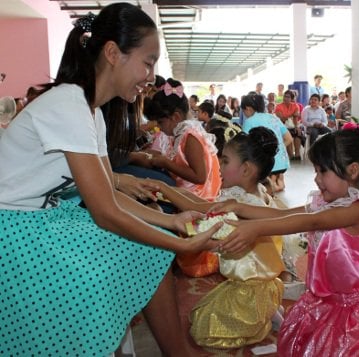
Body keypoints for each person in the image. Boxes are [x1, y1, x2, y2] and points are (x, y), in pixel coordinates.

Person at [0, 4, 222, 356]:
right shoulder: (69, 104)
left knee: (146, 247)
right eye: (147, 62)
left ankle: (173, 349)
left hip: (37, 219)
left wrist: (171, 221)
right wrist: (179, 244)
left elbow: (110, 196)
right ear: (112, 53)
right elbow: (105, 210)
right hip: (12, 230)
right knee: (127, 258)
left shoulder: (90, 112)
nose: (150, 77)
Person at [212, 122, 359, 356]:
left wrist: (255, 229)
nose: (316, 179)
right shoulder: (326, 204)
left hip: (350, 309)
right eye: (315, 170)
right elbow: (283, 214)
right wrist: (239, 206)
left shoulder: (356, 210)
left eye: (322, 171)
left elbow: (312, 222)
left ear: (353, 170)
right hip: (324, 300)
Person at [150, 127, 285, 348]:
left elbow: (200, 207)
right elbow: (197, 202)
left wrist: (164, 188)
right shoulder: (258, 191)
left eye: (224, 161)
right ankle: (267, 308)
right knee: (203, 313)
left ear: (246, 169)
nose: (219, 167)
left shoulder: (242, 202)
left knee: (204, 330)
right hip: (260, 279)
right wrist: (172, 191)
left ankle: (262, 312)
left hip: (250, 287)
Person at [144, 77, 222, 201]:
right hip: (184, 191)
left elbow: (200, 177)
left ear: (175, 116)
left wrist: (166, 163)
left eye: (160, 122)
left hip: (197, 197)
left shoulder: (190, 137)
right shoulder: (177, 133)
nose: (158, 127)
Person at [241, 93, 292, 193]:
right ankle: (278, 179)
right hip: (283, 163)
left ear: (248, 108)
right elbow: (289, 139)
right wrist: (278, 148)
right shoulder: (274, 118)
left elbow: (244, 144)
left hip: (267, 165)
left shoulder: (249, 121)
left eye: (243, 111)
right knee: (274, 174)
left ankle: (272, 183)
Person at [275, 89, 304, 160]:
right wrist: (291, 115)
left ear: (291, 98)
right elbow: (282, 119)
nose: (285, 98)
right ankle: (290, 156)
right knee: (288, 134)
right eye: (285, 96)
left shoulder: (295, 106)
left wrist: (296, 126)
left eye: (288, 97)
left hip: (293, 125)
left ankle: (297, 155)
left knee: (298, 133)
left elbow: (295, 118)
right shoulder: (279, 106)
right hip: (282, 126)